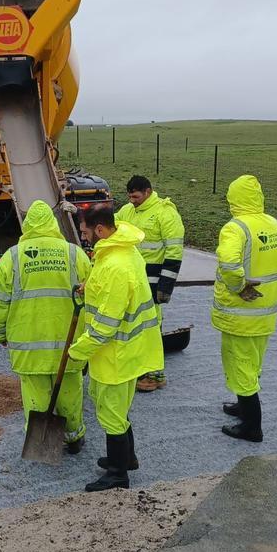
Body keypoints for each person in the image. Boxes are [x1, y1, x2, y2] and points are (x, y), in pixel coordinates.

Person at [68, 206, 163, 491]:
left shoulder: (114, 266)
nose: (84, 238)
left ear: (99, 229)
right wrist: (91, 286)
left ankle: (118, 474)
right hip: (124, 349)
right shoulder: (120, 250)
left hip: (116, 352)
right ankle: (125, 457)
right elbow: (113, 292)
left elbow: (106, 325)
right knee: (116, 407)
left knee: (111, 412)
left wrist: (77, 351)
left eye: (85, 232)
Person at [0, 201, 92, 454]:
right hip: (69, 343)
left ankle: (42, 444)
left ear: (28, 225)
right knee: (70, 389)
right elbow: (93, 294)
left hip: (29, 344)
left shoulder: (12, 257)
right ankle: (73, 437)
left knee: (35, 393)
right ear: (53, 224)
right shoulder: (74, 254)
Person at [213, 175, 277, 443]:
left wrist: (238, 287)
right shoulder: (273, 223)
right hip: (265, 310)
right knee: (253, 362)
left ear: (234, 199)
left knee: (239, 364)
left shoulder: (235, 228)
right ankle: (242, 405)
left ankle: (251, 427)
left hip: (240, 313)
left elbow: (230, 264)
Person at [115, 175, 184, 392]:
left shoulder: (165, 213)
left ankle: (155, 375)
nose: (132, 200)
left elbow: (174, 252)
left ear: (147, 191)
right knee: (137, 327)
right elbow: (111, 223)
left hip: (153, 284)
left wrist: (165, 286)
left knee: (152, 328)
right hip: (133, 281)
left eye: (136, 196)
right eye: (130, 197)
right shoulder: (128, 211)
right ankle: (141, 370)